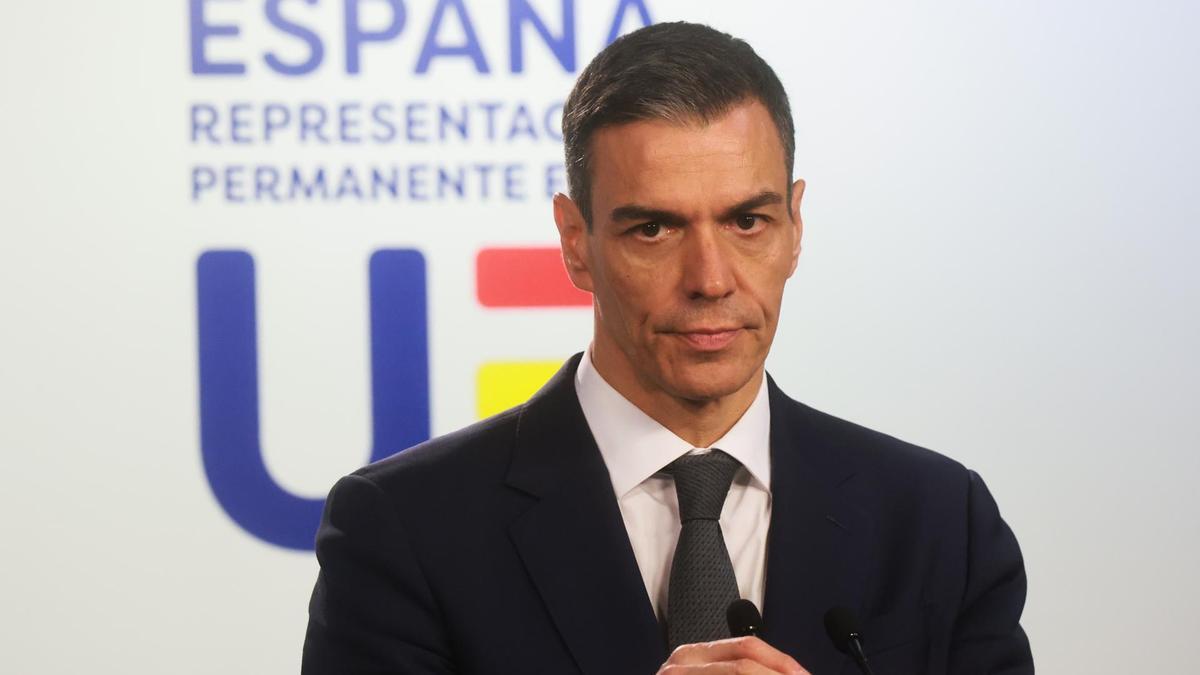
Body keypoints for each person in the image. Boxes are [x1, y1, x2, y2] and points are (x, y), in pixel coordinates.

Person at [302, 22, 1033, 675]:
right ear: (575, 242)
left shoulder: (939, 521)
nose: (710, 279)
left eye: (747, 220)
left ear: (795, 226)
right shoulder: (406, 529)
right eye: (653, 229)